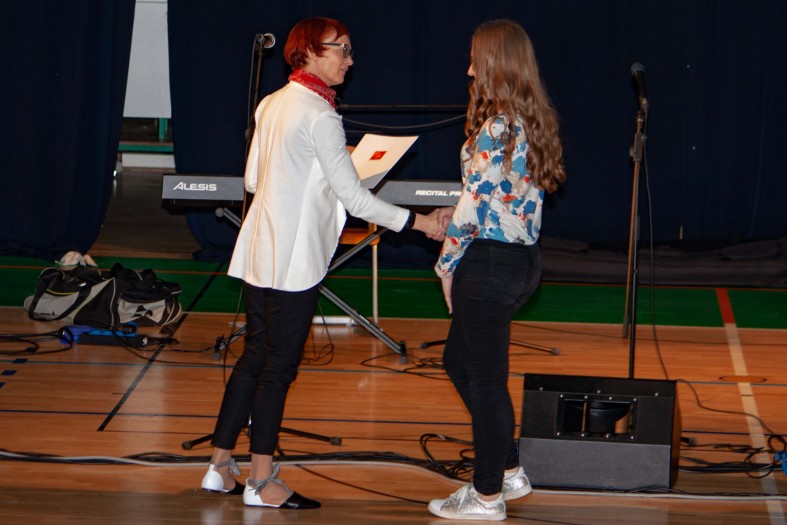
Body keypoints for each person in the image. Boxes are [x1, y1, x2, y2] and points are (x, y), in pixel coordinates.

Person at [200, 17, 445, 510]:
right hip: (293, 259)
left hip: (259, 249)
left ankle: (219, 467)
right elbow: (355, 200)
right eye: (342, 49)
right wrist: (422, 223)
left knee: (254, 357)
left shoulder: (272, 103)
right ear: (310, 51)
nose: (350, 60)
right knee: (277, 369)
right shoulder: (321, 115)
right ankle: (261, 481)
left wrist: (324, 166)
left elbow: (252, 180)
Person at [427, 19, 566, 521]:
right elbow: (497, 198)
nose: (469, 70)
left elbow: (471, 211)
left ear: (496, 64)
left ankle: (487, 496)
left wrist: (446, 266)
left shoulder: (498, 127)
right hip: (519, 260)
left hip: (489, 264)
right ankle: (508, 469)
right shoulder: (529, 120)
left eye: (475, 60)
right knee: (458, 363)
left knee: (486, 383)